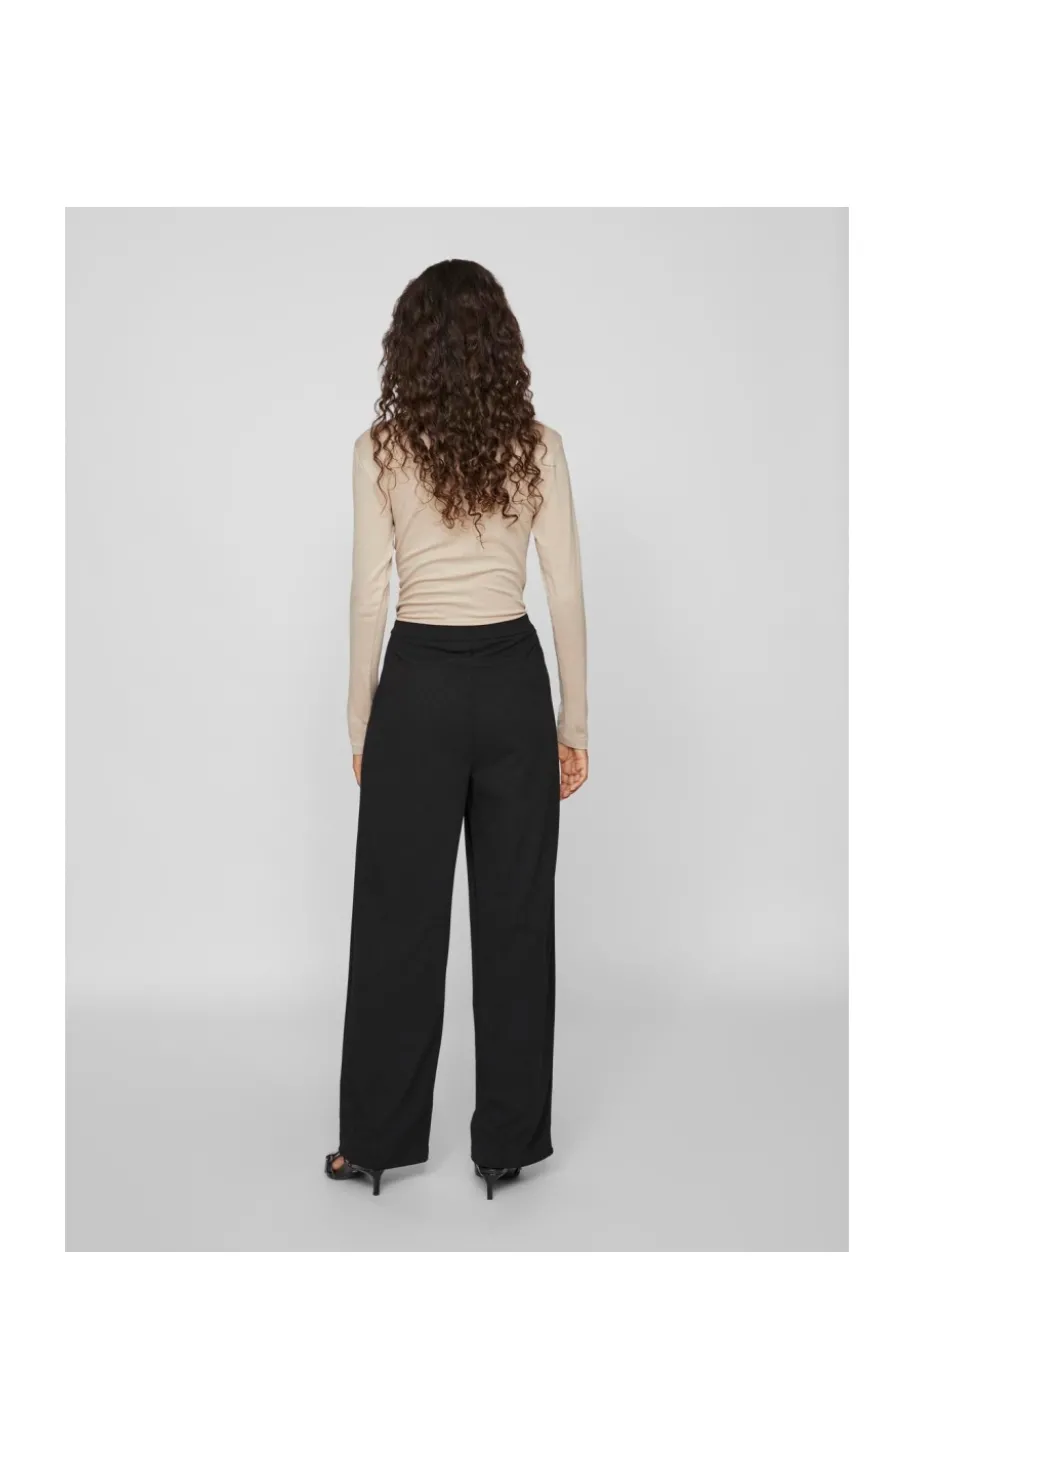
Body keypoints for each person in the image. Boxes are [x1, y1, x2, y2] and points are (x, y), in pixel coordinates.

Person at [325, 259, 588, 1201]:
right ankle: (506, 1143)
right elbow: (564, 590)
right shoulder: (538, 446)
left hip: (419, 691)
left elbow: (369, 596)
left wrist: (362, 721)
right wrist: (573, 723)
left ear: (408, 347)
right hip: (513, 684)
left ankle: (375, 1143)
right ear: (501, 345)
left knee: (397, 921)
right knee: (516, 921)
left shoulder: (381, 450)